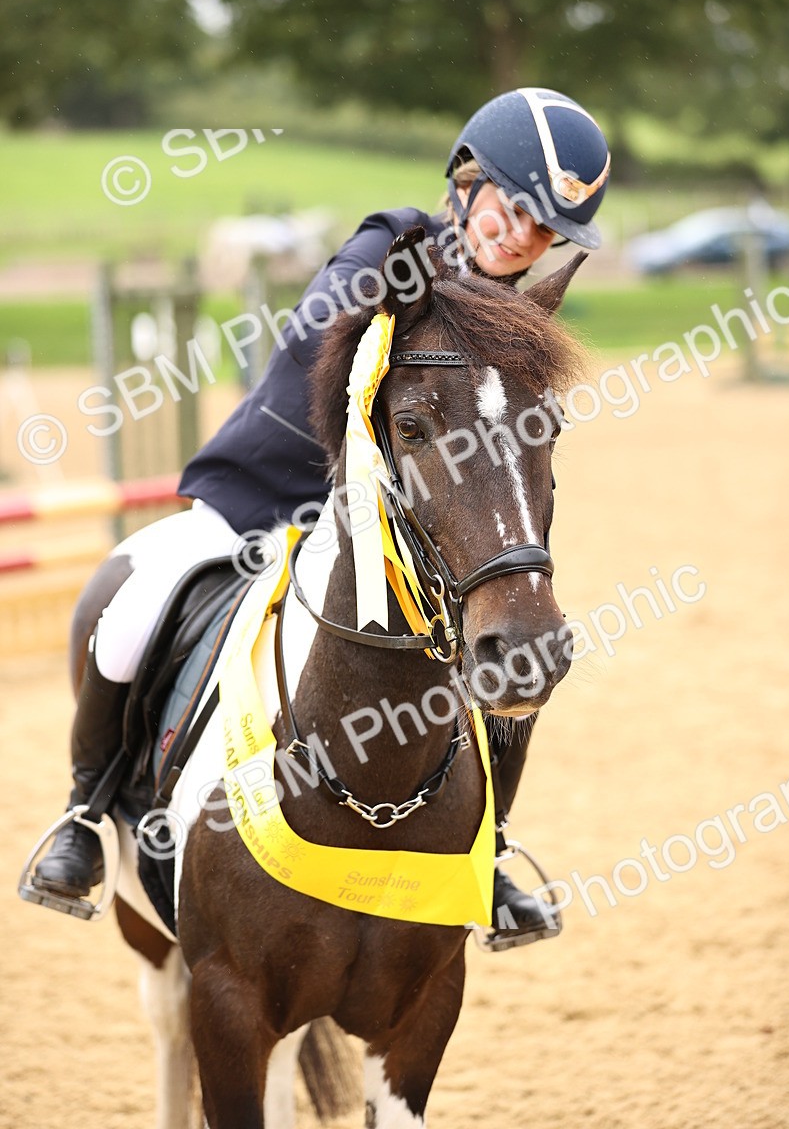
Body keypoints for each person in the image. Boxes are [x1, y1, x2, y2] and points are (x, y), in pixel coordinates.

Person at [32, 87, 611, 946]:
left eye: (545, 229)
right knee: (130, 606)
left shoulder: (510, 317)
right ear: (466, 180)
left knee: (508, 654)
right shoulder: (393, 244)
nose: (522, 236)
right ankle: (85, 814)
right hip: (262, 496)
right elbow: (317, 337)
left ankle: (484, 855)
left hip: (401, 540)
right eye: (513, 206)